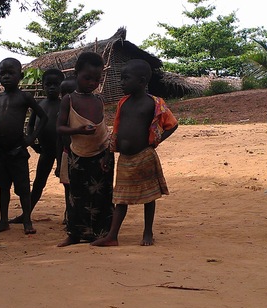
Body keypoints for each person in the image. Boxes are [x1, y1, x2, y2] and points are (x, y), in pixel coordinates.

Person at [92, 59, 178, 247]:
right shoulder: (124, 103)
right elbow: (116, 129)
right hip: (124, 158)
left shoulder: (155, 103)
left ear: (141, 81)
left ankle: (148, 232)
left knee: (150, 196)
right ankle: (112, 236)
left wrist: (156, 141)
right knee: (120, 198)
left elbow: (172, 124)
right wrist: (109, 153)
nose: (122, 82)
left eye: (126, 79)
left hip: (144, 156)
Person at [0, 58, 48, 235]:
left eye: (10, 73)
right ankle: (3, 221)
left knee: (23, 188)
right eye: (2, 74)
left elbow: (43, 118)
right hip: (0, 150)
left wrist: (31, 138)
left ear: (20, 76)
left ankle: (27, 221)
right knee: (3, 187)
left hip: (17, 149)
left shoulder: (25, 97)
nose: (6, 77)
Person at [56, 52, 114, 247]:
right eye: (87, 78)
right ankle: (74, 234)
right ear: (76, 73)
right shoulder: (69, 100)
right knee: (76, 196)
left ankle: (102, 233)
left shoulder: (99, 100)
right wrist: (77, 130)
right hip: (77, 155)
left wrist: (108, 153)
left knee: (103, 197)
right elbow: (60, 127)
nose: (92, 83)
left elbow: (104, 129)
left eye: (96, 79)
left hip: (102, 154)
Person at [8, 68, 63, 225]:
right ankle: (26, 213)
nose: (52, 87)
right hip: (45, 150)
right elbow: (30, 125)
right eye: (48, 84)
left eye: (55, 84)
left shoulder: (63, 105)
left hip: (63, 151)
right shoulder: (40, 104)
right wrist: (31, 141)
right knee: (39, 182)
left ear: (61, 85)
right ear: (43, 85)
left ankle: (69, 214)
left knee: (67, 184)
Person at [56, 76, 77, 225]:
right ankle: (69, 212)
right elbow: (60, 140)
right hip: (66, 154)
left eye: (71, 92)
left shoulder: (84, 111)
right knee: (67, 186)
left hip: (83, 154)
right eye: (64, 92)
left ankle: (78, 214)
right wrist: (59, 163)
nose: (67, 96)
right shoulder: (61, 115)